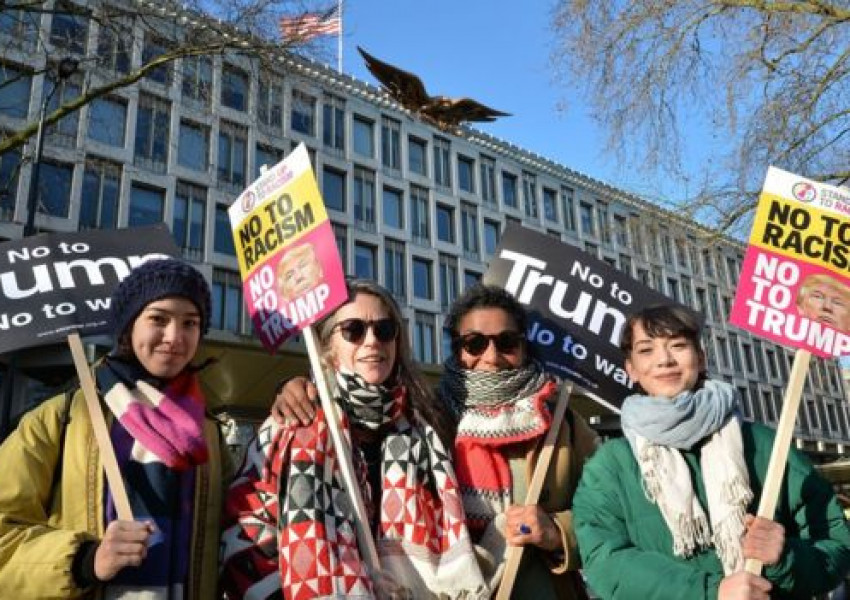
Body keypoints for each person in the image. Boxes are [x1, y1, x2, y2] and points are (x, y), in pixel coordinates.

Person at [274, 283, 599, 599]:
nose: (491, 355)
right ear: (457, 350)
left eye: (507, 341)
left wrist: (557, 532)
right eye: (474, 343)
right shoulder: (429, 417)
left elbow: (613, 516)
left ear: (524, 347)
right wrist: (298, 386)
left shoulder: (561, 424)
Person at [220, 279, 488, 599]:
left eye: (384, 329)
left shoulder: (427, 429)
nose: (372, 341)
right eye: (353, 330)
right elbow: (245, 526)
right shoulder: (293, 421)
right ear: (329, 350)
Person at [572, 304, 850, 599]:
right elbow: (605, 562)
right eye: (646, 350)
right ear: (631, 369)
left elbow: (836, 545)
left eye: (678, 346)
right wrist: (710, 592)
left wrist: (786, 557)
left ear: (701, 359)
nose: (664, 360)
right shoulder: (610, 465)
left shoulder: (766, 445)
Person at [0, 258, 225, 598]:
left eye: (190, 323)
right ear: (129, 326)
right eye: (158, 319)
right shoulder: (58, 418)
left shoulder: (207, 428)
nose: (175, 337)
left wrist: (289, 393)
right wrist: (83, 561)